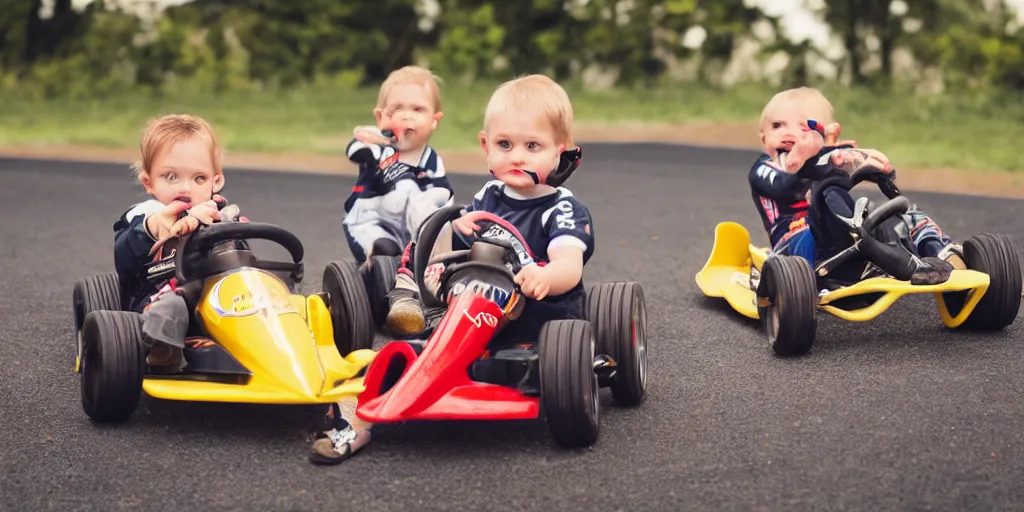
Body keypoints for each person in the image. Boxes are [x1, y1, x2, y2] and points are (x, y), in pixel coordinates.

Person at [309, 74, 594, 464]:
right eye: (505, 145)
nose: (517, 157)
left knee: (550, 358)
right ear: (485, 145)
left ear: (560, 152)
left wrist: (545, 276)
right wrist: (443, 259)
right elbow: (460, 250)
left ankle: (443, 379)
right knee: (397, 350)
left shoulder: (561, 208)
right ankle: (356, 419)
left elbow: (569, 265)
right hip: (472, 306)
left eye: (533, 146)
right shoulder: (486, 197)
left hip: (538, 321)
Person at [748, 86, 965, 285]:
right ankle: (896, 262)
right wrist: (815, 161)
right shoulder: (763, 169)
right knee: (827, 198)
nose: (787, 133)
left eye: (802, 126)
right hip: (796, 247)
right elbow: (786, 188)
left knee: (898, 214)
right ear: (763, 139)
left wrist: (876, 169)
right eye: (777, 125)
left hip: (838, 239)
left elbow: (858, 175)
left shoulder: (825, 161)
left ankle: (943, 254)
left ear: (822, 137)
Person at [114, 114, 243, 373]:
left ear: (215, 181)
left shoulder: (221, 213)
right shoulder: (148, 214)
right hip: (161, 290)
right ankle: (162, 347)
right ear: (149, 182)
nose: (185, 188)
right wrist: (150, 229)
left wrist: (233, 231)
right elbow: (123, 257)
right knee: (170, 306)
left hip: (217, 294)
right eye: (171, 177)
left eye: (198, 179)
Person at [342, 65, 455, 265]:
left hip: (410, 231)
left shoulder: (432, 161)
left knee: (437, 215)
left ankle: (432, 271)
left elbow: (442, 195)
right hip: (370, 223)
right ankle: (374, 273)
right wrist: (378, 137)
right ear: (381, 117)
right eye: (397, 109)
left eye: (417, 109)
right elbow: (356, 149)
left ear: (434, 121)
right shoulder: (379, 150)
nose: (406, 116)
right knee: (386, 251)